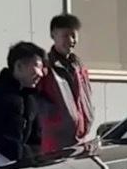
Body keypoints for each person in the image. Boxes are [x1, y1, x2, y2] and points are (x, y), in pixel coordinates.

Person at [36, 14, 96, 153]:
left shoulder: (79, 66)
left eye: (73, 36)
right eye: (65, 36)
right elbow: (35, 99)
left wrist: (89, 115)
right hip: (54, 143)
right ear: (53, 35)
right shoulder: (45, 66)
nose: (70, 40)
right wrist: (55, 118)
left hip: (80, 140)